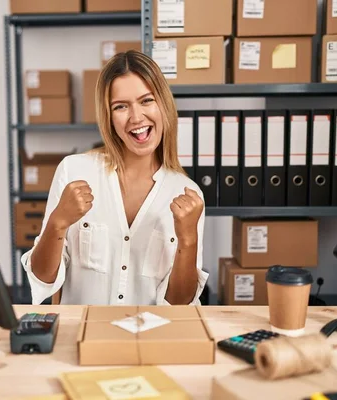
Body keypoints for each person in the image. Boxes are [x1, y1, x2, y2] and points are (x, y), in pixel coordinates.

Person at [21, 50, 208, 305]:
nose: (136, 117)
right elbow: (43, 279)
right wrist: (58, 222)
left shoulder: (187, 193)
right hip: (82, 336)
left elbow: (179, 303)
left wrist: (188, 239)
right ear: (108, 117)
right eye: (121, 106)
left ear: (163, 105)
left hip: (149, 340)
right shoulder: (74, 171)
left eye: (146, 100)